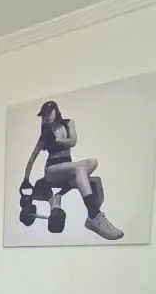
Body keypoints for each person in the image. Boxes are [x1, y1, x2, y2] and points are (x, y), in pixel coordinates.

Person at [21, 100, 123, 239]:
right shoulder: (45, 135)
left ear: (56, 111)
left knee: (93, 163)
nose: (46, 116)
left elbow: (73, 142)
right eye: (44, 115)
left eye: (49, 113)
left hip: (68, 171)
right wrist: (26, 180)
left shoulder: (69, 124)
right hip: (52, 170)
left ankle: (91, 219)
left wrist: (57, 140)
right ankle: (94, 215)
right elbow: (32, 158)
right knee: (80, 167)